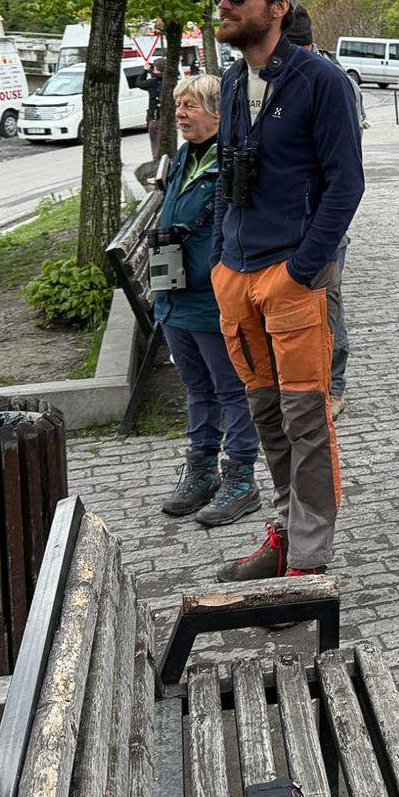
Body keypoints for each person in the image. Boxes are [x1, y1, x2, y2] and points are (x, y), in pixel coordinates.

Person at [207, 0, 364, 580]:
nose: (223, 5)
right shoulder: (230, 81)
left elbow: (345, 185)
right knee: (266, 415)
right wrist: (222, 257)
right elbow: (225, 174)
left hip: (291, 279)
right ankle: (281, 533)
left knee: (306, 419)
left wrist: (304, 270)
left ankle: (307, 561)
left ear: (278, 7)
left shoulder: (320, 80)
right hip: (237, 278)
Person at [155, 74, 263, 526]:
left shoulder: (232, 158)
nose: (180, 113)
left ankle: (240, 476)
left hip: (212, 298)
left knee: (231, 390)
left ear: (219, 113)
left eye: (190, 106)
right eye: (178, 105)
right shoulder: (185, 155)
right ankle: (200, 469)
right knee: (197, 388)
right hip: (173, 295)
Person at [285, 4, 365, 419]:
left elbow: (347, 174)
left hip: (323, 220)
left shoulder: (330, 82)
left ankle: (332, 385)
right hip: (288, 222)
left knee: (328, 303)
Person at [139, 57, 167, 160]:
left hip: (155, 116)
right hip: (167, 116)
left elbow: (139, 82)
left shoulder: (152, 82)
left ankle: (157, 160)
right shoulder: (169, 80)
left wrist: (145, 70)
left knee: (155, 141)